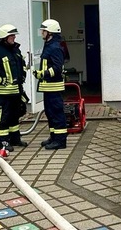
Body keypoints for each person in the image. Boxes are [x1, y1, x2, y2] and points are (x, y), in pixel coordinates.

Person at [35, 19, 68, 150]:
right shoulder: (49, 45)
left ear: (50, 33)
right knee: (50, 113)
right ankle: (54, 137)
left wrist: (43, 74)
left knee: (56, 113)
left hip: (54, 87)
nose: (41, 33)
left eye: (43, 31)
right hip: (48, 87)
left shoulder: (55, 47)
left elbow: (57, 68)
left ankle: (60, 141)